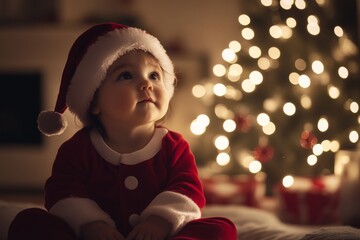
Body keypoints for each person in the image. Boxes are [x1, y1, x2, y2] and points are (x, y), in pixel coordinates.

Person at [8, 22, 237, 240]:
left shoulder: (174, 146)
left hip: (161, 235)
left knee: (222, 228)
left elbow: (187, 188)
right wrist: (90, 224)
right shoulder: (77, 150)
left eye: (154, 76)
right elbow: (62, 189)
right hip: (92, 236)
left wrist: (160, 221)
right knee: (28, 222)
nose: (146, 84)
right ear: (93, 102)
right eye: (126, 75)